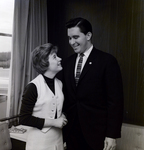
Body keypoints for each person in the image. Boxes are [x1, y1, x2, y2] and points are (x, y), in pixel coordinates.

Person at [61, 17, 124, 150]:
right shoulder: (67, 63)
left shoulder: (107, 61)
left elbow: (115, 102)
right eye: (69, 38)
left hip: (97, 135)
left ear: (88, 35)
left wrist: (111, 135)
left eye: (76, 37)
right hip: (71, 134)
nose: (72, 42)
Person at [19, 43, 67, 150]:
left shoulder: (60, 84)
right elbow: (24, 119)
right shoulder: (32, 87)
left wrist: (62, 115)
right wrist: (54, 122)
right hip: (39, 143)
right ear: (44, 62)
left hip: (58, 140)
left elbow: (55, 107)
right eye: (54, 56)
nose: (60, 59)